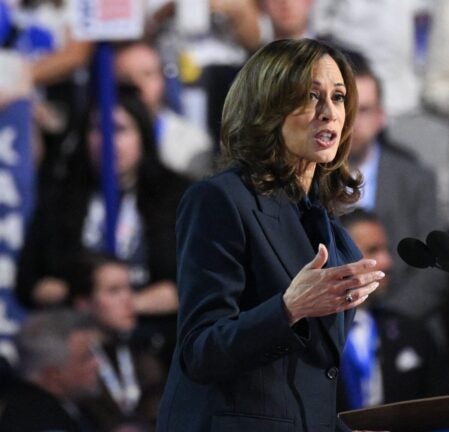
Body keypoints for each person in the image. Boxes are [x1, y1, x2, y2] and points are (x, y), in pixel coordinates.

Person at [156, 38, 385, 432]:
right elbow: (200, 350)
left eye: (338, 97)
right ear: (267, 107)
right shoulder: (219, 200)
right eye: (311, 96)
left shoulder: (326, 222)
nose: (329, 113)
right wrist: (288, 308)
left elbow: (305, 384)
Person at [15, 85, 189, 318]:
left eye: (119, 130)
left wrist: (126, 305)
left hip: (155, 334)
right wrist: (85, 300)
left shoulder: (177, 196)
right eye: (98, 129)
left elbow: (193, 286)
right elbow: (29, 284)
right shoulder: (61, 195)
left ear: (143, 135)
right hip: (76, 333)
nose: (107, 142)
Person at [343, 50, 448, 320]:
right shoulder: (308, 181)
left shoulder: (416, 180)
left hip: (406, 321)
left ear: (381, 117)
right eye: (345, 109)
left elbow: (436, 267)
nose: (353, 122)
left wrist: (388, 319)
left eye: (363, 111)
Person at [338, 209, 440, 410]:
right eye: (373, 250)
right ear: (339, 257)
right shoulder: (310, 339)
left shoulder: (412, 333)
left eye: (386, 249)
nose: (387, 262)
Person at [71, 254, 167, 430]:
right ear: (84, 303)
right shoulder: (72, 363)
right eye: (114, 291)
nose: (128, 299)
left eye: (130, 288)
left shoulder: (144, 353)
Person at [114, 41, 213, 180]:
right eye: (126, 78)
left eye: (147, 75)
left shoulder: (192, 142)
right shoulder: (100, 136)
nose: (137, 84)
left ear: (162, 80)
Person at [0, 309, 101, 432]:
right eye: (86, 357)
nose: (97, 363)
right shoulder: (42, 423)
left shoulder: (72, 404)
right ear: (53, 375)